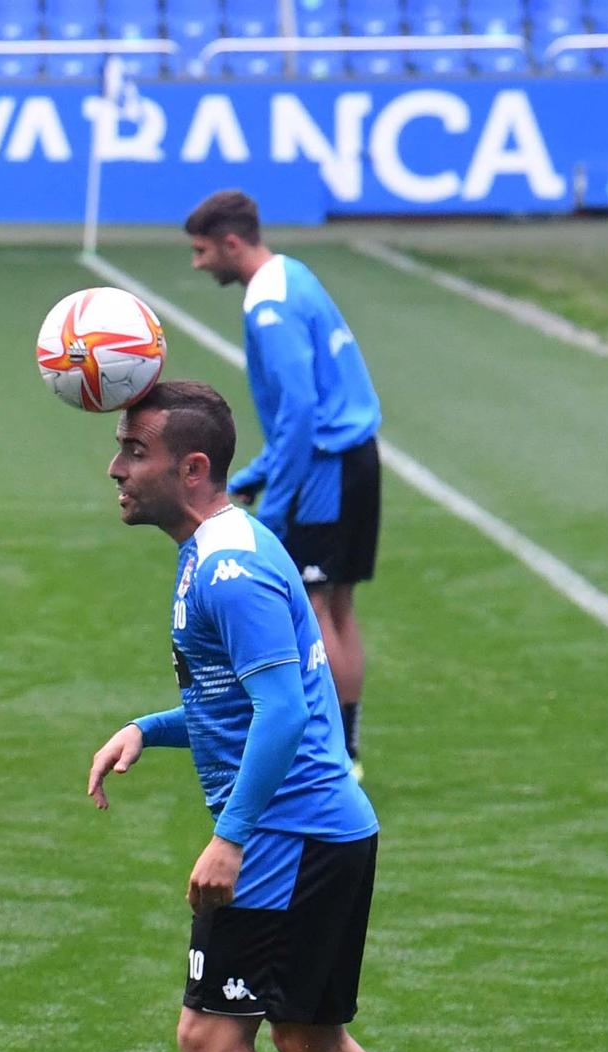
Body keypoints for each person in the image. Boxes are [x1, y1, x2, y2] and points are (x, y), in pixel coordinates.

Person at [86, 379, 447, 1052]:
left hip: (287, 834)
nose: (117, 467)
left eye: (134, 450)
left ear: (190, 467)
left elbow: (285, 712)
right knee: (311, 1037)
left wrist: (231, 838)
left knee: (212, 1036)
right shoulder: (224, 549)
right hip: (324, 829)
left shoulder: (230, 567)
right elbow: (243, 700)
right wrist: (151, 728)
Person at [185, 189, 382, 776]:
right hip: (354, 457)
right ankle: (344, 750)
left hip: (323, 468)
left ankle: (333, 755)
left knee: (314, 608)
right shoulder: (293, 275)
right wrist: (257, 474)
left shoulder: (269, 308)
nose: (198, 265)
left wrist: (278, 503)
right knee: (338, 608)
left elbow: (299, 412)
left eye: (201, 252)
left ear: (231, 243)